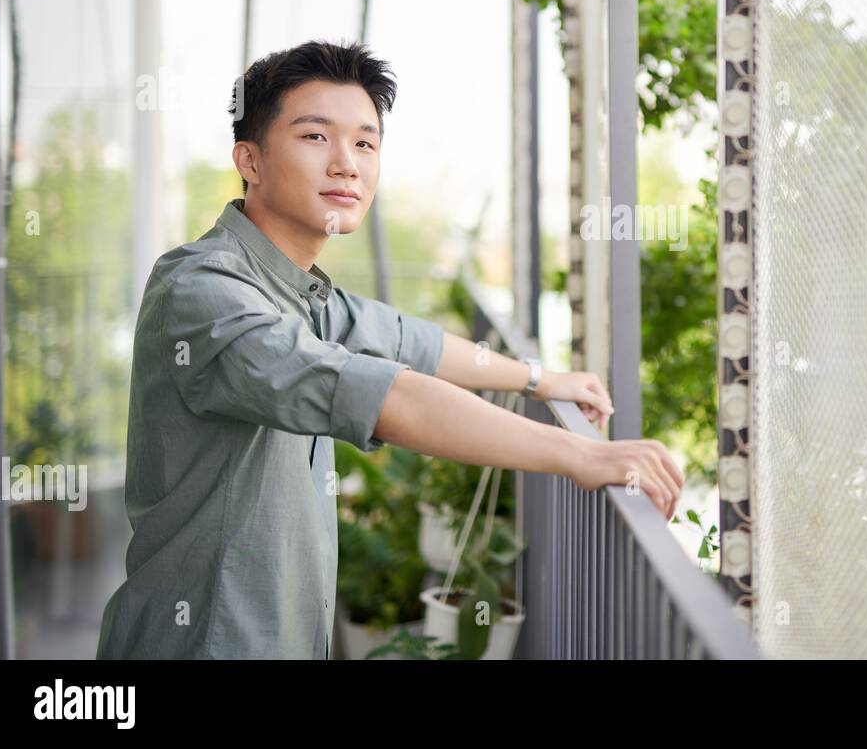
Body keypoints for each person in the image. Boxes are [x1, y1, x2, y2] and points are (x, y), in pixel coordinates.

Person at [96, 39, 683, 659]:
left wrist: (539, 378)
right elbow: (383, 396)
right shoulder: (205, 290)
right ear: (251, 160)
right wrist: (581, 457)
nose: (348, 163)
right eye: (316, 137)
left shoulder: (299, 291)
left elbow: (408, 341)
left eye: (366, 143)